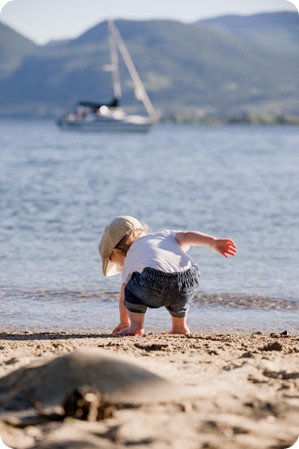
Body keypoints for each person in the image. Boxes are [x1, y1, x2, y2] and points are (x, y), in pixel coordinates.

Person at [98, 215, 237, 336]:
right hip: (189, 277)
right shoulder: (163, 235)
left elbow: (124, 293)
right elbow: (187, 235)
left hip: (153, 280)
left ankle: (136, 327)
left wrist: (123, 322)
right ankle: (179, 327)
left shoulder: (130, 258)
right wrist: (213, 242)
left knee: (129, 289)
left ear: (117, 252)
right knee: (179, 297)